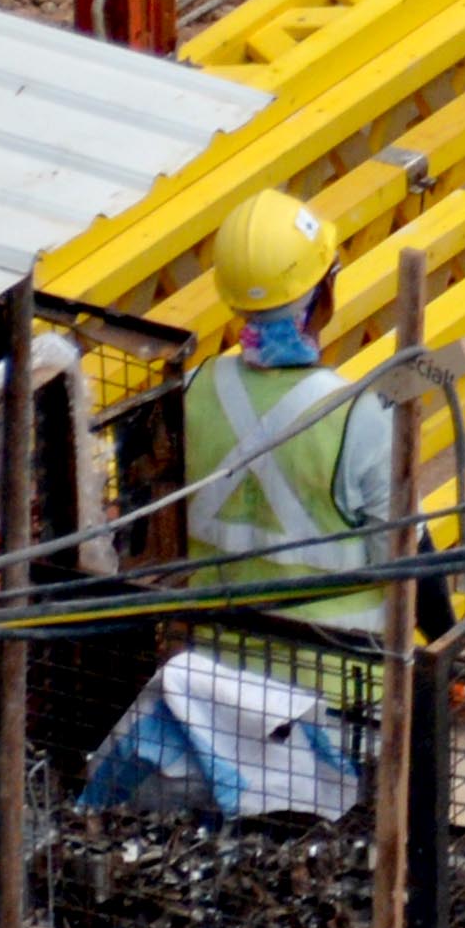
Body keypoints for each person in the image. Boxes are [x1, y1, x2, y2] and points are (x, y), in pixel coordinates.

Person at [184, 189, 407, 646]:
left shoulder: (189, 389)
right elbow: (409, 564)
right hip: (333, 688)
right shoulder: (360, 416)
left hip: (206, 670)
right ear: (323, 291)